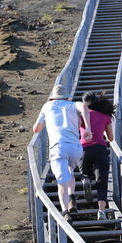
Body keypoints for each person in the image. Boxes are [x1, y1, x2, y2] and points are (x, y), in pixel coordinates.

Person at [33, 85, 92, 223]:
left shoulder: (47, 106)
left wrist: (45, 124)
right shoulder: (72, 105)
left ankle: (65, 212)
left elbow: (36, 129)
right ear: (66, 96)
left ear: (53, 97)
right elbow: (84, 107)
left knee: (62, 181)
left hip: (58, 147)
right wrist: (88, 128)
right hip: (76, 148)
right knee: (70, 172)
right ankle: (72, 198)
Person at [78, 91, 115, 220]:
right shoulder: (105, 116)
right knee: (102, 181)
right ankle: (101, 211)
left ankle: (86, 180)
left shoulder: (81, 116)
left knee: (85, 172)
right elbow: (110, 138)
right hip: (100, 148)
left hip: (84, 149)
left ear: (84, 104)